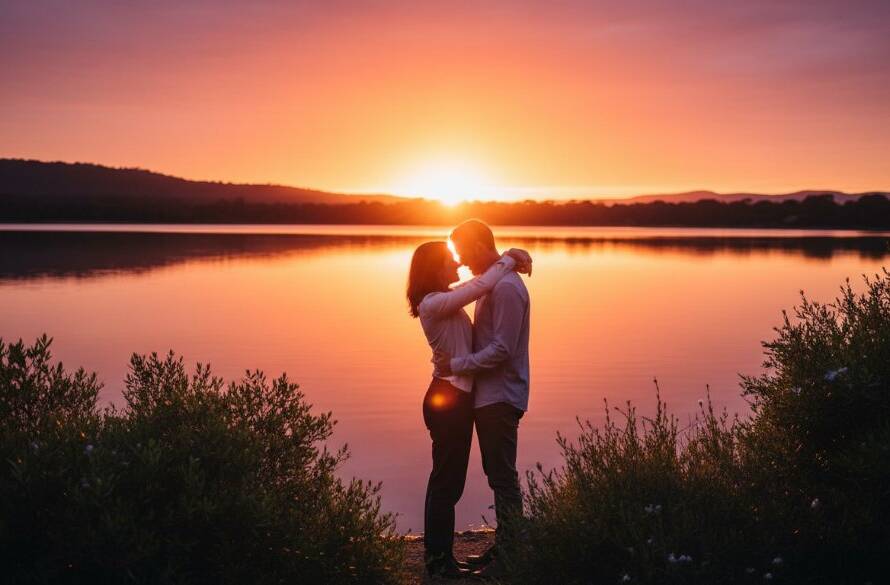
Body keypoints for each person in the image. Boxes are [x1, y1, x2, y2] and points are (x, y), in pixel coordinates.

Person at [407, 239, 532, 580]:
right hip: (445, 399)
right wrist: (509, 259)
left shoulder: (445, 299)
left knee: (451, 483)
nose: (458, 264)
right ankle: (438, 562)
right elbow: (481, 285)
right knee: (446, 483)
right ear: (433, 268)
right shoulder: (433, 303)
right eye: (450, 259)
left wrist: (510, 259)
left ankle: (443, 557)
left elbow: (477, 285)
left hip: (457, 400)